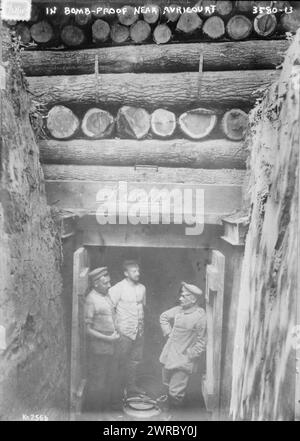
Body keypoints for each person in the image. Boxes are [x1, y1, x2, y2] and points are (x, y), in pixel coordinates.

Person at [159, 282, 206, 408]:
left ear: (193, 299)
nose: (180, 298)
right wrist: (169, 333)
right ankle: (167, 413)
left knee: (175, 393)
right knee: (166, 385)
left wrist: (189, 355)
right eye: (181, 295)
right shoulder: (179, 310)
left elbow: (202, 342)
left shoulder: (199, 317)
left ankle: (176, 417)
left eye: (184, 296)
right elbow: (163, 317)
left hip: (182, 361)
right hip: (169, 355)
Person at [83, 266, 120, 412]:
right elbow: (87, 330)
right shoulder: (90, 299)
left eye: (109, 282)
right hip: (99, 349)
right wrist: (108, 339)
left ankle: (105, 411)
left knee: (109, 380)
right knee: (98, 383)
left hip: (111, 346)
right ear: (96, 284)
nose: (109, 285)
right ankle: (96, 414)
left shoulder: (106, 296)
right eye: (106, 283)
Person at [109, 260, 146, 397]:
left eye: (138, 270)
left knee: (135, 361)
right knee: (119, 362)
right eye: (134, 271)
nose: (138, 273)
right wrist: (116, 327)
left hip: (139, 332)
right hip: (124, 332)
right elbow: (109, 308)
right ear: (126, 273)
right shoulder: (118, 288)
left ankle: (131, 387)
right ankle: (116, 393)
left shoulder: (142, 288)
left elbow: (142, 308)